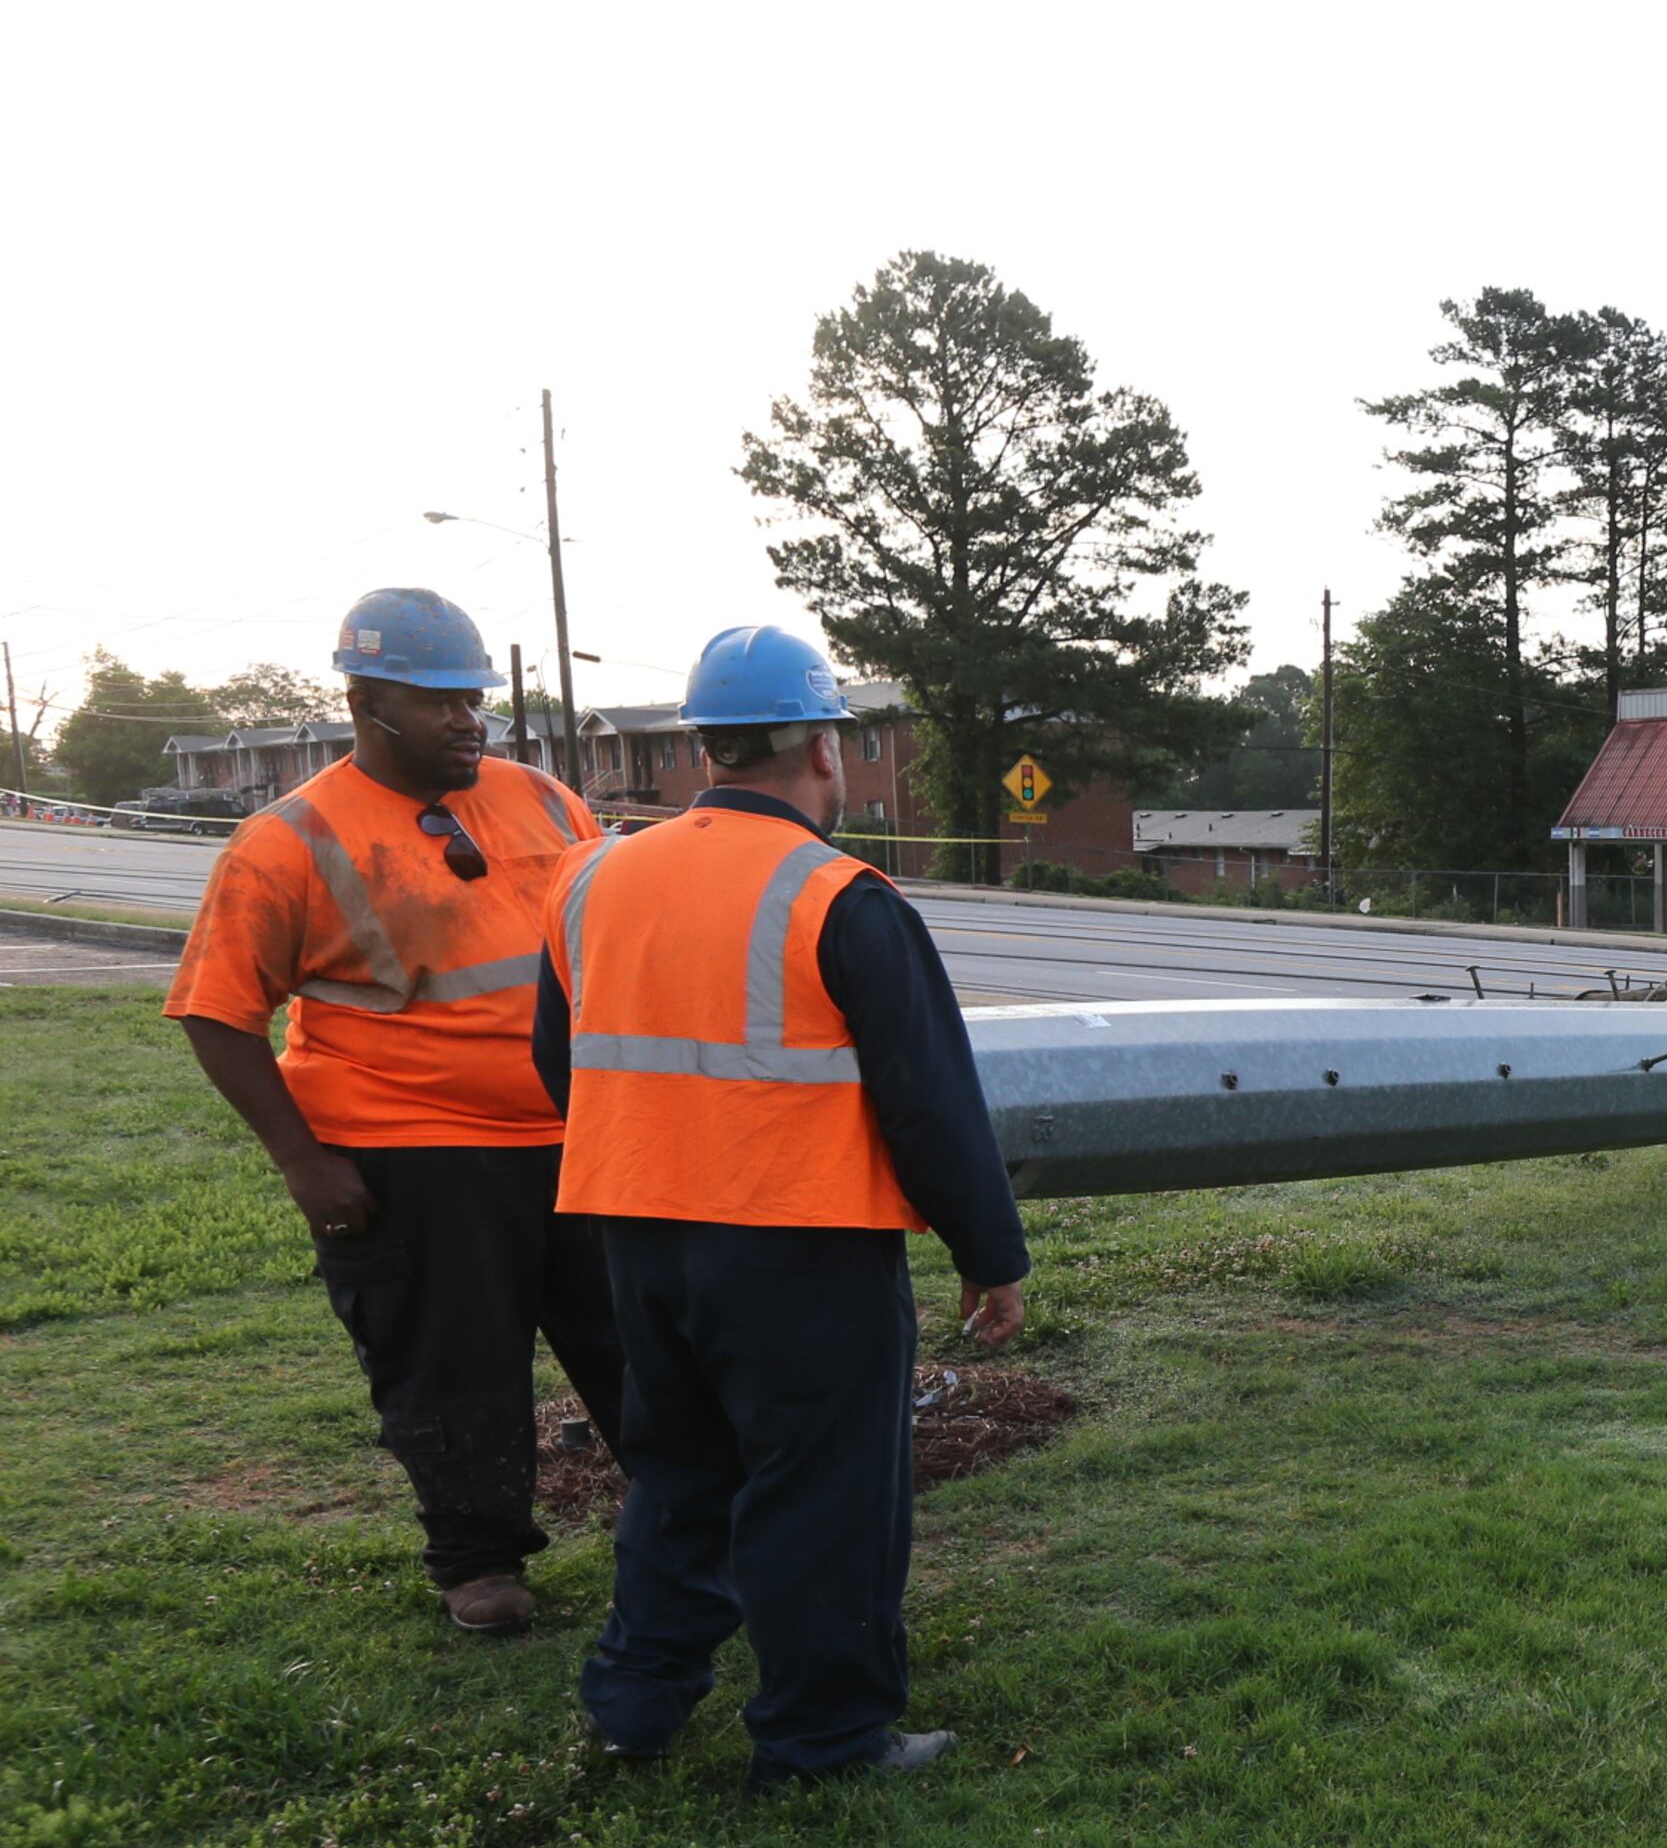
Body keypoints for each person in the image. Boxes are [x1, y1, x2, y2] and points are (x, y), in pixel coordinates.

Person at [536, 626, 1031, 1786]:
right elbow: (931, 1102)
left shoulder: (591, 876)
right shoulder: (840, 896)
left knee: (678, 1473)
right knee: (824, 1488)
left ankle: (635, 1703)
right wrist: (989, 1252)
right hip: (803, 1245)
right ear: (821, 745)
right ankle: (825, 1736)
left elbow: (563, 1063)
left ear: (707, 746)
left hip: (637, 1230)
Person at [163, 587, 622, 1635]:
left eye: (474, 699)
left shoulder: (545, 802)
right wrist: (302, 1161)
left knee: (639, 1337)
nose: (468, 720)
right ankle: (479, 1562)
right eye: (439, 702)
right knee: (453, 1364)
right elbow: (217, 1014)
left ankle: (690, 1510)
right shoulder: (288, 841)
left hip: (576, 1134)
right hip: (413, 1152)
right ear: (365, 704)